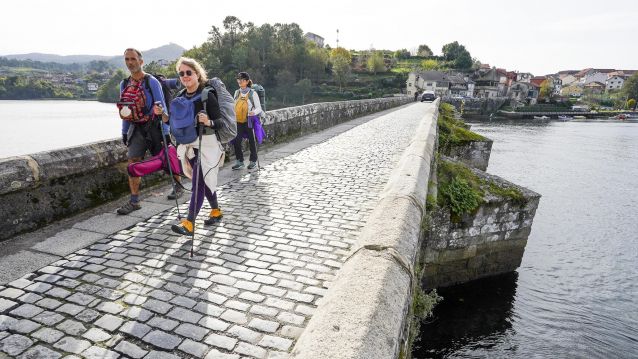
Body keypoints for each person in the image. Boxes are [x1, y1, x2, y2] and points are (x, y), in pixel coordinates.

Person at [117, 48, 182, 215]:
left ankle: (178, 186)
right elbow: (125, 111)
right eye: (127, 59)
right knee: (133, 162)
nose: (130, 62)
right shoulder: (124, 84)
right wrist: (124, 132)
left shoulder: (151, 82)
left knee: (167, 158)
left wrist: (166, 131)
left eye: (133, 59)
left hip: (155, 127)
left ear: (141, 61)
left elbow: (162, 107)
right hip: (135, 128)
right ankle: (134, 201)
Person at [165, 57, 225, 235]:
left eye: (188, 72)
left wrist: (209, 121)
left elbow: (220, 122)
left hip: (206, 145)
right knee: (203, 181)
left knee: (198, 181)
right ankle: (216, 211)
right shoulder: (180, 96)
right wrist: (163, 116)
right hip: (189, 146)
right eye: (181, 73)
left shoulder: (207, 95)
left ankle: (189, 223)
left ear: (197, 74)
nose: (185, 76)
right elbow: (177, 123)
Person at [231, 72, 263, 170]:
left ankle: (253, 161)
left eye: (242, 80)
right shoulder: (237, 92)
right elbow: (233, 105)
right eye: (238, 79)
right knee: (236, 141)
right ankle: (239, 161)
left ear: (247, 81)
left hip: (249, 120)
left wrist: (253, 112)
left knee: (252, 141)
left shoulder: (253, 93)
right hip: (238, 120)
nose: (240, 81)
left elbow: (259, 108)